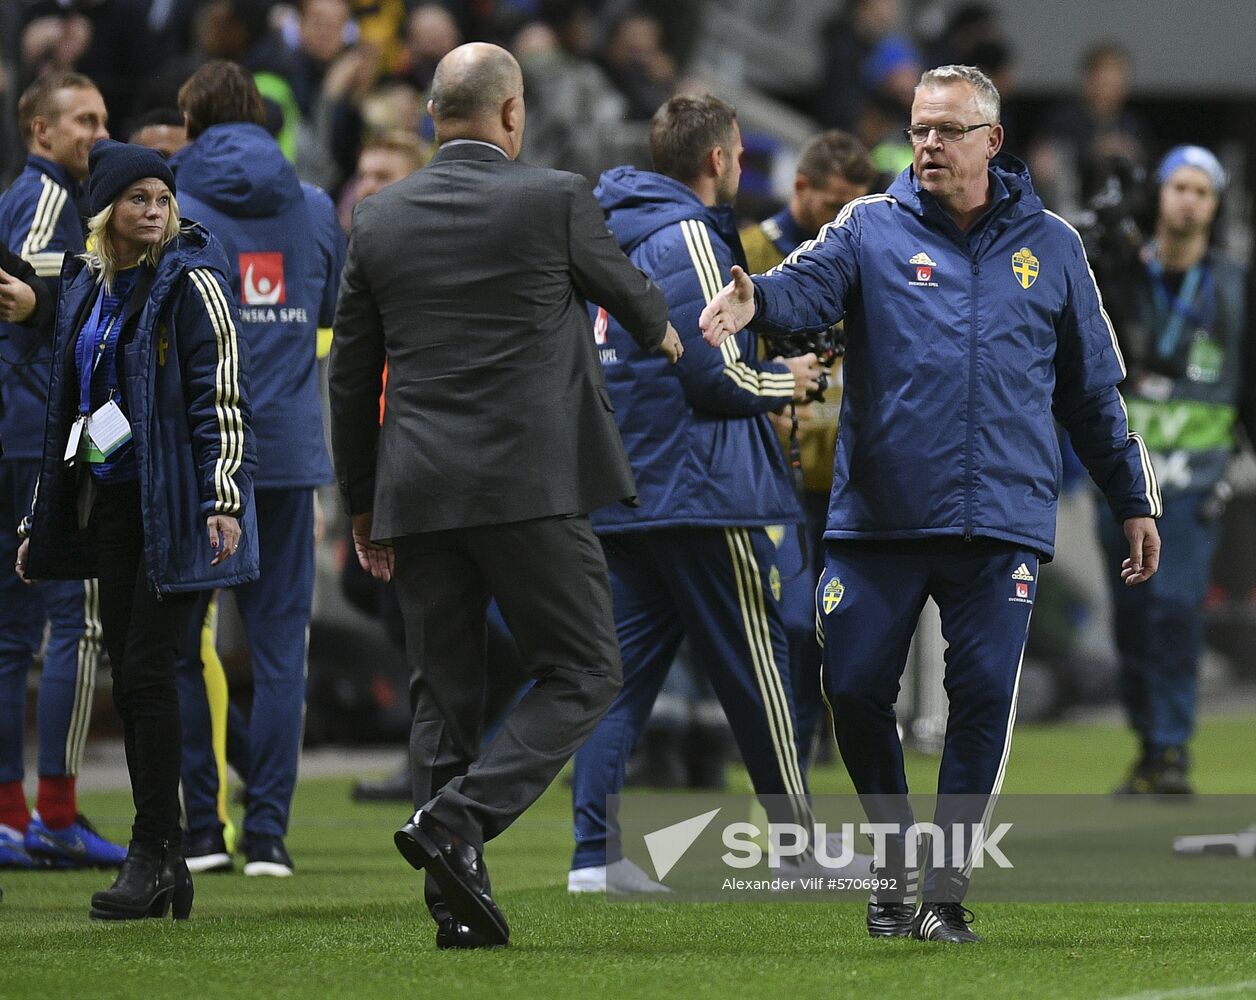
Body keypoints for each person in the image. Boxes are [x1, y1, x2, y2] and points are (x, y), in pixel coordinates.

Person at [699, 64, 1162, 944]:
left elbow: (1093, 395)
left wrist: (1132, 495)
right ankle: (893, 857)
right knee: (854, 687)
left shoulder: (1054, 247)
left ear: (992, 140)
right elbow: (804, 288)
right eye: (918, 129)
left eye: (948, 130)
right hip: (881, 517)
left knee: (982, 693)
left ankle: (943, 894)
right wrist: (757, 298)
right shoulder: (867, 227)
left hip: (1001, 521)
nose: (928, 146)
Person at [329, 42, 680, 949]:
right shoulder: (554, 197)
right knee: (588, 669)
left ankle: (456, 909)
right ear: (513, 113)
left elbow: (350, 376)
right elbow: (632, 296)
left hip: (417, 491)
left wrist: (363, 507)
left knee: (441, 699)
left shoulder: (378, 218)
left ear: (432, 117)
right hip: (529, 487)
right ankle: (459, 820)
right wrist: (674, 336)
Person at [568, 93, 821, 894]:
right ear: (717, 160)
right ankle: (797, 848)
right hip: (702, 487)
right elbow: (711, 369)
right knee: (762, 673)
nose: (742, 165)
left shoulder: (607, 229)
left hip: (625, 486)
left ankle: (593, 858)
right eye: (739, 153)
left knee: (620, 679)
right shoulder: (690, 235)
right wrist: (789, 379)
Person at [16, 139, 256, 919]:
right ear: (107, 211)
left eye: (161, 198)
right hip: (113, 506)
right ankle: (167, 863)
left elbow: (221, 397)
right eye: (137, 200)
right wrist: (40, 515)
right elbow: (71, 410)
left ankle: (155, 852)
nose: (153, 212)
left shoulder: (192, 279)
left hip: (180, 506)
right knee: (135, 674)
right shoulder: (90, 286)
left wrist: (222, 498)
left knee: (150, 674)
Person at [170, 60, 345, 878]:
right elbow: (331, 312)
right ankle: (268, 834)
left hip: (199, 455)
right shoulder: (312, 208)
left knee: (181, 646)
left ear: (192, 124)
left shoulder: (170, 208)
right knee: (282, 654)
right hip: (287, 454)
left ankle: (203, 830)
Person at [0, 71, 125, 869]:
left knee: (11, 635)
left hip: (12, 430)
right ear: (39, 132)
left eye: (104, 117)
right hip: (40, 434)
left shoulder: (27, 197)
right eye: (83, 119)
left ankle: (11, 817)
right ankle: (55, 811)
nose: (98, 132)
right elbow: (47, 284)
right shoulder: (48, 202)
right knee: (75, 624)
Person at [1099, 146, 1251, 796]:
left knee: (1173, 609)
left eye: (1202, 191)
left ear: (1215, 207)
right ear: (1159, 196)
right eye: (1179, 187)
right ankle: (1148, 741)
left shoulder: (1238, 286)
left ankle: (1171, 748)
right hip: (1124, 480)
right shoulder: (1122, 276)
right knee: (1131, 618)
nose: (1189, 200)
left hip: (1194, 485)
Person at [739, 129, 876, 771]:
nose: (844, 217)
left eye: (857, 204)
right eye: (833, 204)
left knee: (840, 621)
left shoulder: (871, 258)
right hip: (776, 478)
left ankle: (814, 731)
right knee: (793, 621)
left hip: (852, 477)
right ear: (800, 189)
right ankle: (785, 744)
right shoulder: (752, 253)